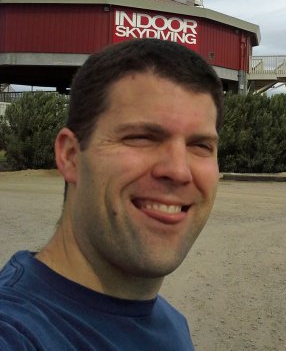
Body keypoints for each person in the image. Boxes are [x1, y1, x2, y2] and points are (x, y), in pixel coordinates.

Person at [0, 38, 224, 350]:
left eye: (200, 145)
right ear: (70, 156)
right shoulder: (16, 331)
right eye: (141, 137)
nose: (179, 171)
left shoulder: (172, 324)